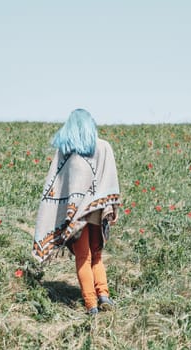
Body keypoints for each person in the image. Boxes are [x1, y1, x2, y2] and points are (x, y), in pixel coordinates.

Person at [32, 109, 120, 315]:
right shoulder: (104, 147)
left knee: (84, 258)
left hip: (76, 215)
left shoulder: (65, 151)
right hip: (97, 210)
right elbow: (110, 179)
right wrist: (110, 207)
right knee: (96, 256)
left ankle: (91, 305)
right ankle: (104, 295)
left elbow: (56, 185)